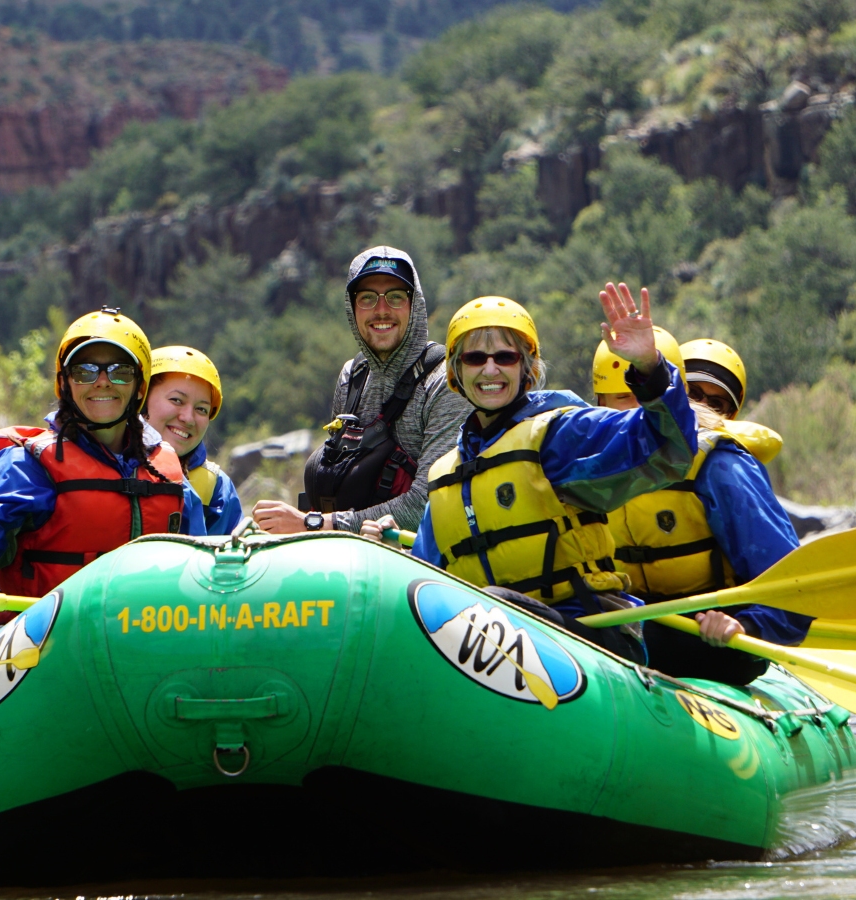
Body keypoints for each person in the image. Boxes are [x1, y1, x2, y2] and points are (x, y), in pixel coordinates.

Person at [365, 286, 699, 663]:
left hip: (590, 638)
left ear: (527, 368)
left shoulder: (560, 435)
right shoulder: (447, 476)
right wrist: (392, 554)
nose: (490, 370)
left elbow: (670, 450)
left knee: (492, 610)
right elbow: (430, 583)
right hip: (494, 652)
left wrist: (651, 371)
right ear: (457, 372)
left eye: (505, 357)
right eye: (475, 358)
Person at [0, 307, 207, 692]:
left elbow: (199, 583)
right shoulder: (26, 466)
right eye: (85, 370)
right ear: (65, 383)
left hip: (139, 659)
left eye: (119, 371)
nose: (102, 382)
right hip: (39, 660)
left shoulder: (169, 475)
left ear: (139, 388)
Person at [595, 335, 808, 685]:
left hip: (709, 640)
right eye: (623, 397)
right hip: (625, 629)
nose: (637, 410)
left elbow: (792, 590)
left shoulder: (721, 467)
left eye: (716, 402)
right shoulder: (585, 465)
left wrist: (745, 625)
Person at [253, 247, 472, 535]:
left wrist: (312, 524)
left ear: (414, 305)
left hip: (422, 564)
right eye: (367, 298)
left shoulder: (446, 381)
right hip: (353, 556)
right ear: (352, 307)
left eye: (395, 297)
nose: (382, 310)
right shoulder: (352, 376)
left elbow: (428, 503)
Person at [145, 345, 242, 535]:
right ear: (142, 398)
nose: (188, 418)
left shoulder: (217, 488)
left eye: (201, 409)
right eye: (176, 400)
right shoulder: (110, 463)